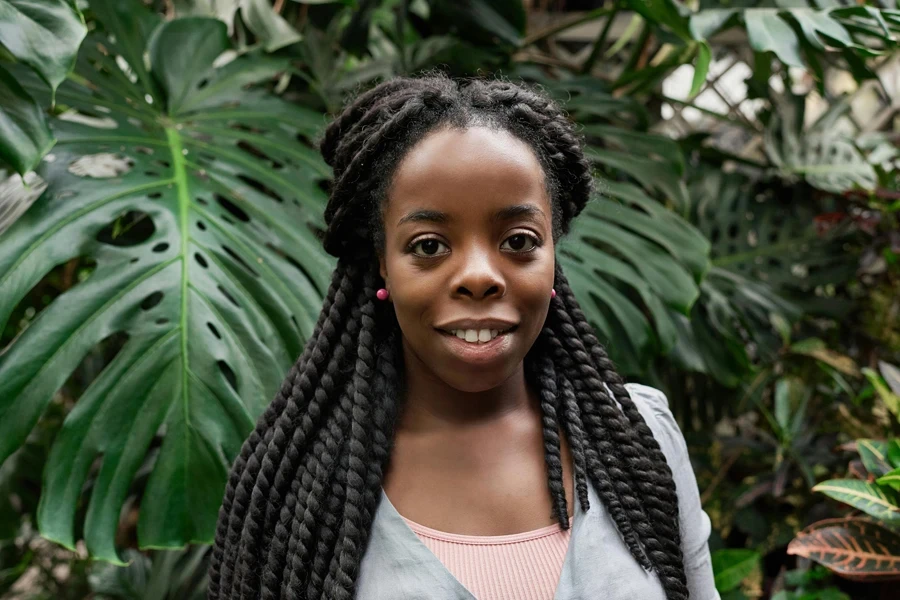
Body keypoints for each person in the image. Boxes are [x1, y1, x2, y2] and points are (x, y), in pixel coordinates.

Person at [207, 72, 719, 600]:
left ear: (553, 258)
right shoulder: (302, 487)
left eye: (518, 240)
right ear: (381, 263)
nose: (479, 275)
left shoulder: (639, 438)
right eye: (429, 246)